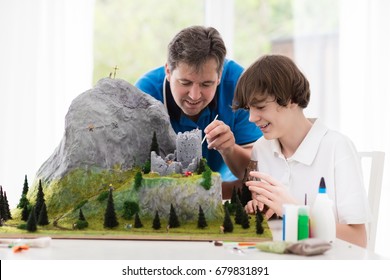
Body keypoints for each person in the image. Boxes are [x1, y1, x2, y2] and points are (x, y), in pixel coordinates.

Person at [232, 54, 370, 247]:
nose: (252, 118)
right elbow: (273, 224)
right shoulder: (261, 149)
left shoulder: (337, 148)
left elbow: (358, 239)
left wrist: (293, 212)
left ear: (290, 100)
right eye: (249, 109)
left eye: (261, 107)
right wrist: (259, 210)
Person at [135, 26, 262, 198]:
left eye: (206, 84)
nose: (194, 96)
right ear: (168, 72)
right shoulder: (144, 95)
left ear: (219, 76)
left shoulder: (240, 86)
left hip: (226, 191)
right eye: (185, 83)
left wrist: (229, 149)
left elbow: (256, 174)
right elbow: (134, 175)